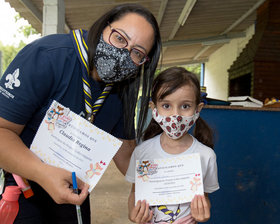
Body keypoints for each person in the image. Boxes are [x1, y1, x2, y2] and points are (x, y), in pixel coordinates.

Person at [0, 3, 161, 223]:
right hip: (23, 189)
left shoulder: (123, 86)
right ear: (104, 27)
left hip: (74, 192)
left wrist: (161, 182)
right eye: (120, 38)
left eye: (137, 52)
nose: (123, 54)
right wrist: (41, 172)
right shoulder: (48, 57)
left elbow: (125, 152)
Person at [126, 67, 219, 224]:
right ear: (154, 109)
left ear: (198, 109)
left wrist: (203, 212)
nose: (175, 116)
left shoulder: (206, 156)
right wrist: (132, 213)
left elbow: (205, 198)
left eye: (185, 106)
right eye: (166, 106)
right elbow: (135, 192)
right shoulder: (142, 153)